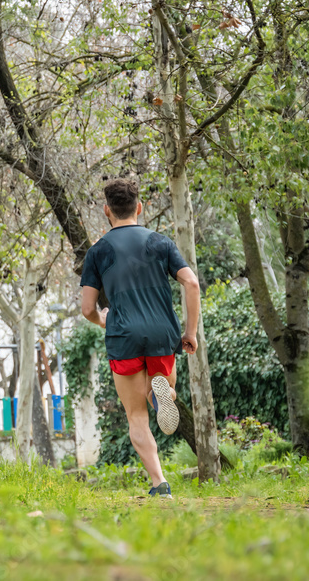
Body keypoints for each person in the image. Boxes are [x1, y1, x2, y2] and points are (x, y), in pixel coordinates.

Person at [80, 178, 202, 498]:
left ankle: (159, 484)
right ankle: (165, 395)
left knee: (136, 416)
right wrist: (189, 332)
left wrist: (101, 319)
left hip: (123, 335)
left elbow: (87, 308)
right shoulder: (160, 243)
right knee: (162, 390)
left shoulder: (98, 251)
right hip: (162, 332)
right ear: (140, 207)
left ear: (107, 211)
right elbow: (191, 284)